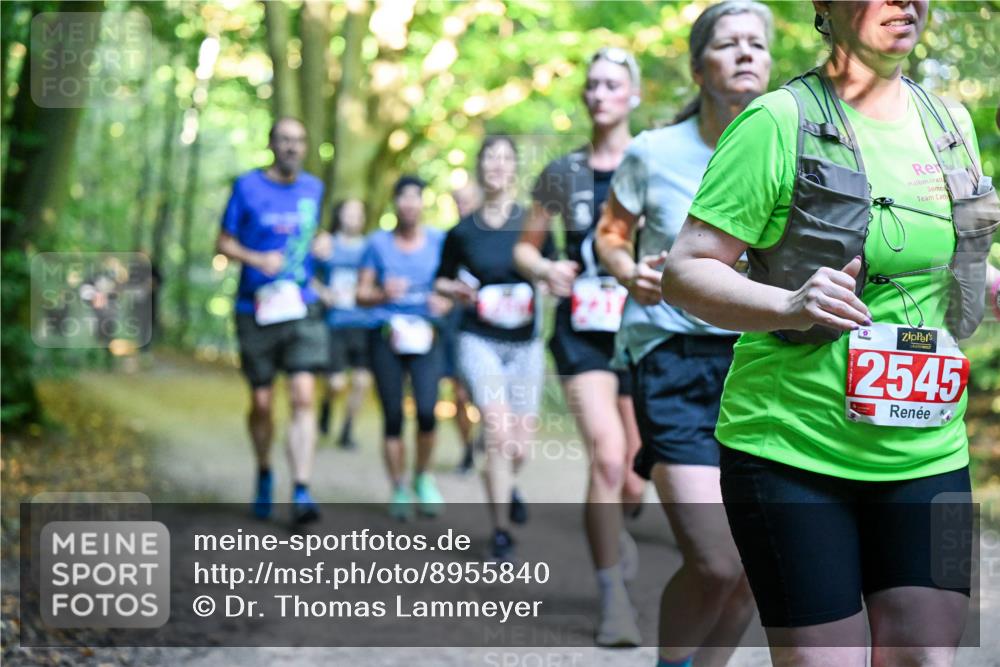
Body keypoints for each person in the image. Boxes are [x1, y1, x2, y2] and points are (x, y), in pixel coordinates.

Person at [661, 1, 999, 665]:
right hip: (793, 445)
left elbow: (950, 256)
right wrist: (790, 301)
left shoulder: (950, 123)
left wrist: (988, 281)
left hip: (929, 447)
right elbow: (685, 271)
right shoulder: (776, 121)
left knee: (928, 656)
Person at [595, 3, 772, 665]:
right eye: (729, 44)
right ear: (700, 67)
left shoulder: (790, 147)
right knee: (717, 562)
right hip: (672, 358)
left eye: (758, 43)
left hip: (758, 364)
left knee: (754, 572)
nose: (747, 53)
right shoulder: (653, 151)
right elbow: (610, 233)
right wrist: (625, 269)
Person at [513, 47, 647, 647]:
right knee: (608, 457)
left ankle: (616, 524)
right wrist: (546, 270)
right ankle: (612, 596)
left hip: (644, 329)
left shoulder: (653, 162)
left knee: (638, 477)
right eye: (591, 84)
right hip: (581, 331)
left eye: (612, 85)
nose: (599, 94)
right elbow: (525, 247)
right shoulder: (562, 172)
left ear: (633, 96)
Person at [436, 137, 553, 560]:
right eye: (490, 159)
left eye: (505, 159)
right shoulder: (462, 231)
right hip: (478, 339)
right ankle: (501, 529)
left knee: (520, 445)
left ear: (514, 169)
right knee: (499, 432)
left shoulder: (531, 223)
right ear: (480, 167)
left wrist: (552, 279)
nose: (497, 166)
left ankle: (509, 486)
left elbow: (550, 271)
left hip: (524, 344)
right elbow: (441, 280)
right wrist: (454, 290)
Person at [215, 116, 327, 524]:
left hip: (301, 305)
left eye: (299, 140)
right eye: (285, 140)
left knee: (302, 395)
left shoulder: (315, 188)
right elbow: (223, 242)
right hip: (255, 307)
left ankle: (301, 489)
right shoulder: (247, 187)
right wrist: (256, 258)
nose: (293, 147)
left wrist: (324, 245)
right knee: (262, 402)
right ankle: (264, 470)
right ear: (272, 144)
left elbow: (313, 238)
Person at [357, 175, 450, 520]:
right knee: (393, 415)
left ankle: (423, 477)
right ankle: (398, 486)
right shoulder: (377, 244)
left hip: (426, 337)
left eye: (416, 197)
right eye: (403, 197)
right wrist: (383, 294)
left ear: (423, 203)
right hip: (387, 337)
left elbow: (455, 287)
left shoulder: (440, 241)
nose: (409, 203)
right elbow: (360, 294)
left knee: (428, 411)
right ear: (395, 203)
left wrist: (445, 303)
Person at [313, 199, 375, 450]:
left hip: (364, 324)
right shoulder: (327, 244)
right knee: (336, 383)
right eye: (349, 212)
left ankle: (347, 430)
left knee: (361, 382)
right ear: (339, 215)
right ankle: (326, 404)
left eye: (358, 213)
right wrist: (323, 292)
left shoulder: (371, 247)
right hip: (335, 322)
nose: (353, 217)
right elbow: (306, 274)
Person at [442, 183, 484, 473]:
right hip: (457, 324)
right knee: (459, 394)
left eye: (467, 202)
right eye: (458, 202)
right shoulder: (453, 237)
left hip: (489, 326)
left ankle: (486, 437)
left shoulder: (495, 238)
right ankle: (467, 449)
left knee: (487, 395)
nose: (462, 207)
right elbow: (439, 280)